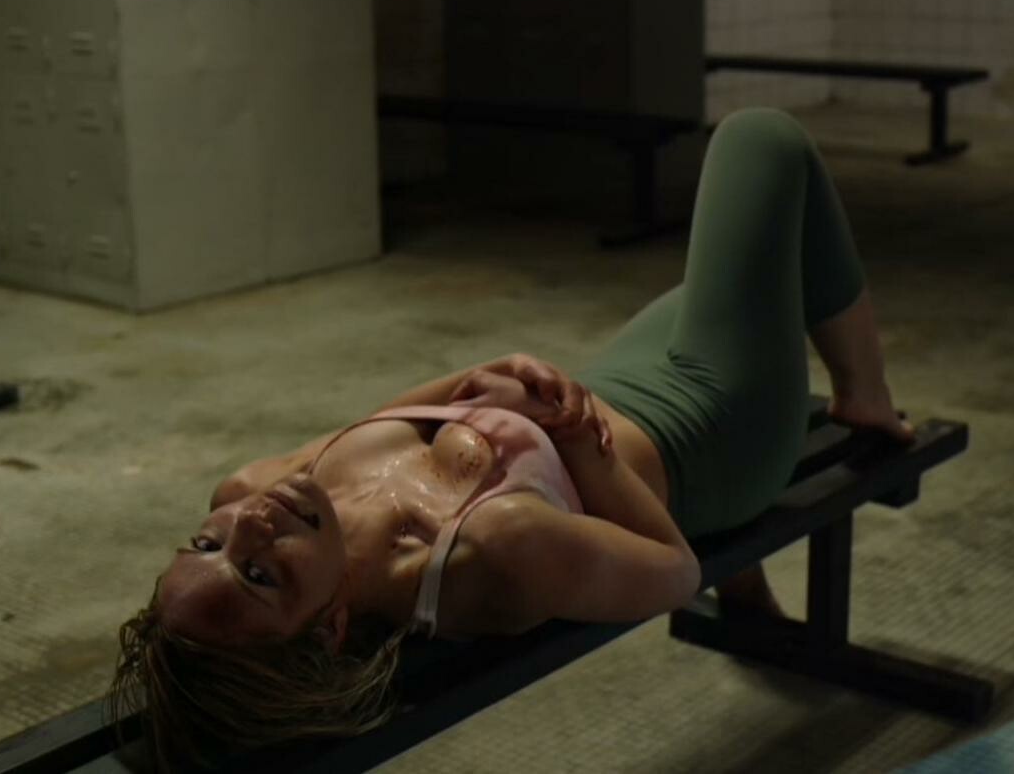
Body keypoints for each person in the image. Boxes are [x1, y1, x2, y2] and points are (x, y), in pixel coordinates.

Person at [109, 107, 917, 770]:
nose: (249, 524)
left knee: (748, 253)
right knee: (763, 142)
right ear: (330, 628)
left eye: (207, 543)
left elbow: (384, 424)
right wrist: (576, 442)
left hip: (617, 383)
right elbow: (674, 571)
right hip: (712, 432)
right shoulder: (491, 550)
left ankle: (755, 585)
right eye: (259, 574)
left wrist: (479, 376)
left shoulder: (256, 494)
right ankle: (865, 398)